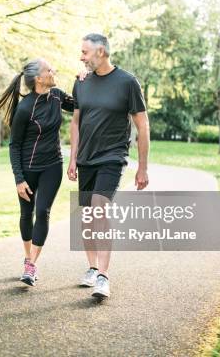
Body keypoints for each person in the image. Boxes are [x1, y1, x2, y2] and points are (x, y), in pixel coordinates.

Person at [68, 33, 150, 298]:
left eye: (85, 52)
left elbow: (142, 124)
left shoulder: (127, 82)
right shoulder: (81, 82)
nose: (81, 57)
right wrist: (72, 159)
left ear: (100, 51)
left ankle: (103, 276)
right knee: (87, 217)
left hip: (112, 158)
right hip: (86, 159)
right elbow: (76, 122)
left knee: (99, 209)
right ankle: (92, 268)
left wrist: (143, 167)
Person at [0, 58, 74, 286]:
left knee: (43, 211)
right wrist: (19, 180)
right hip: (28, 169)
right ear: (38, 78)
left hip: (52, 166)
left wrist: (84, 80)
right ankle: (28, 257)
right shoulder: (25, 107)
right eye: (49, 69)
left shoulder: (57, 95)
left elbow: (81, 104)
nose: (53, 70)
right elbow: (14, 145)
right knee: (26, 214)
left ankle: (31, 265)